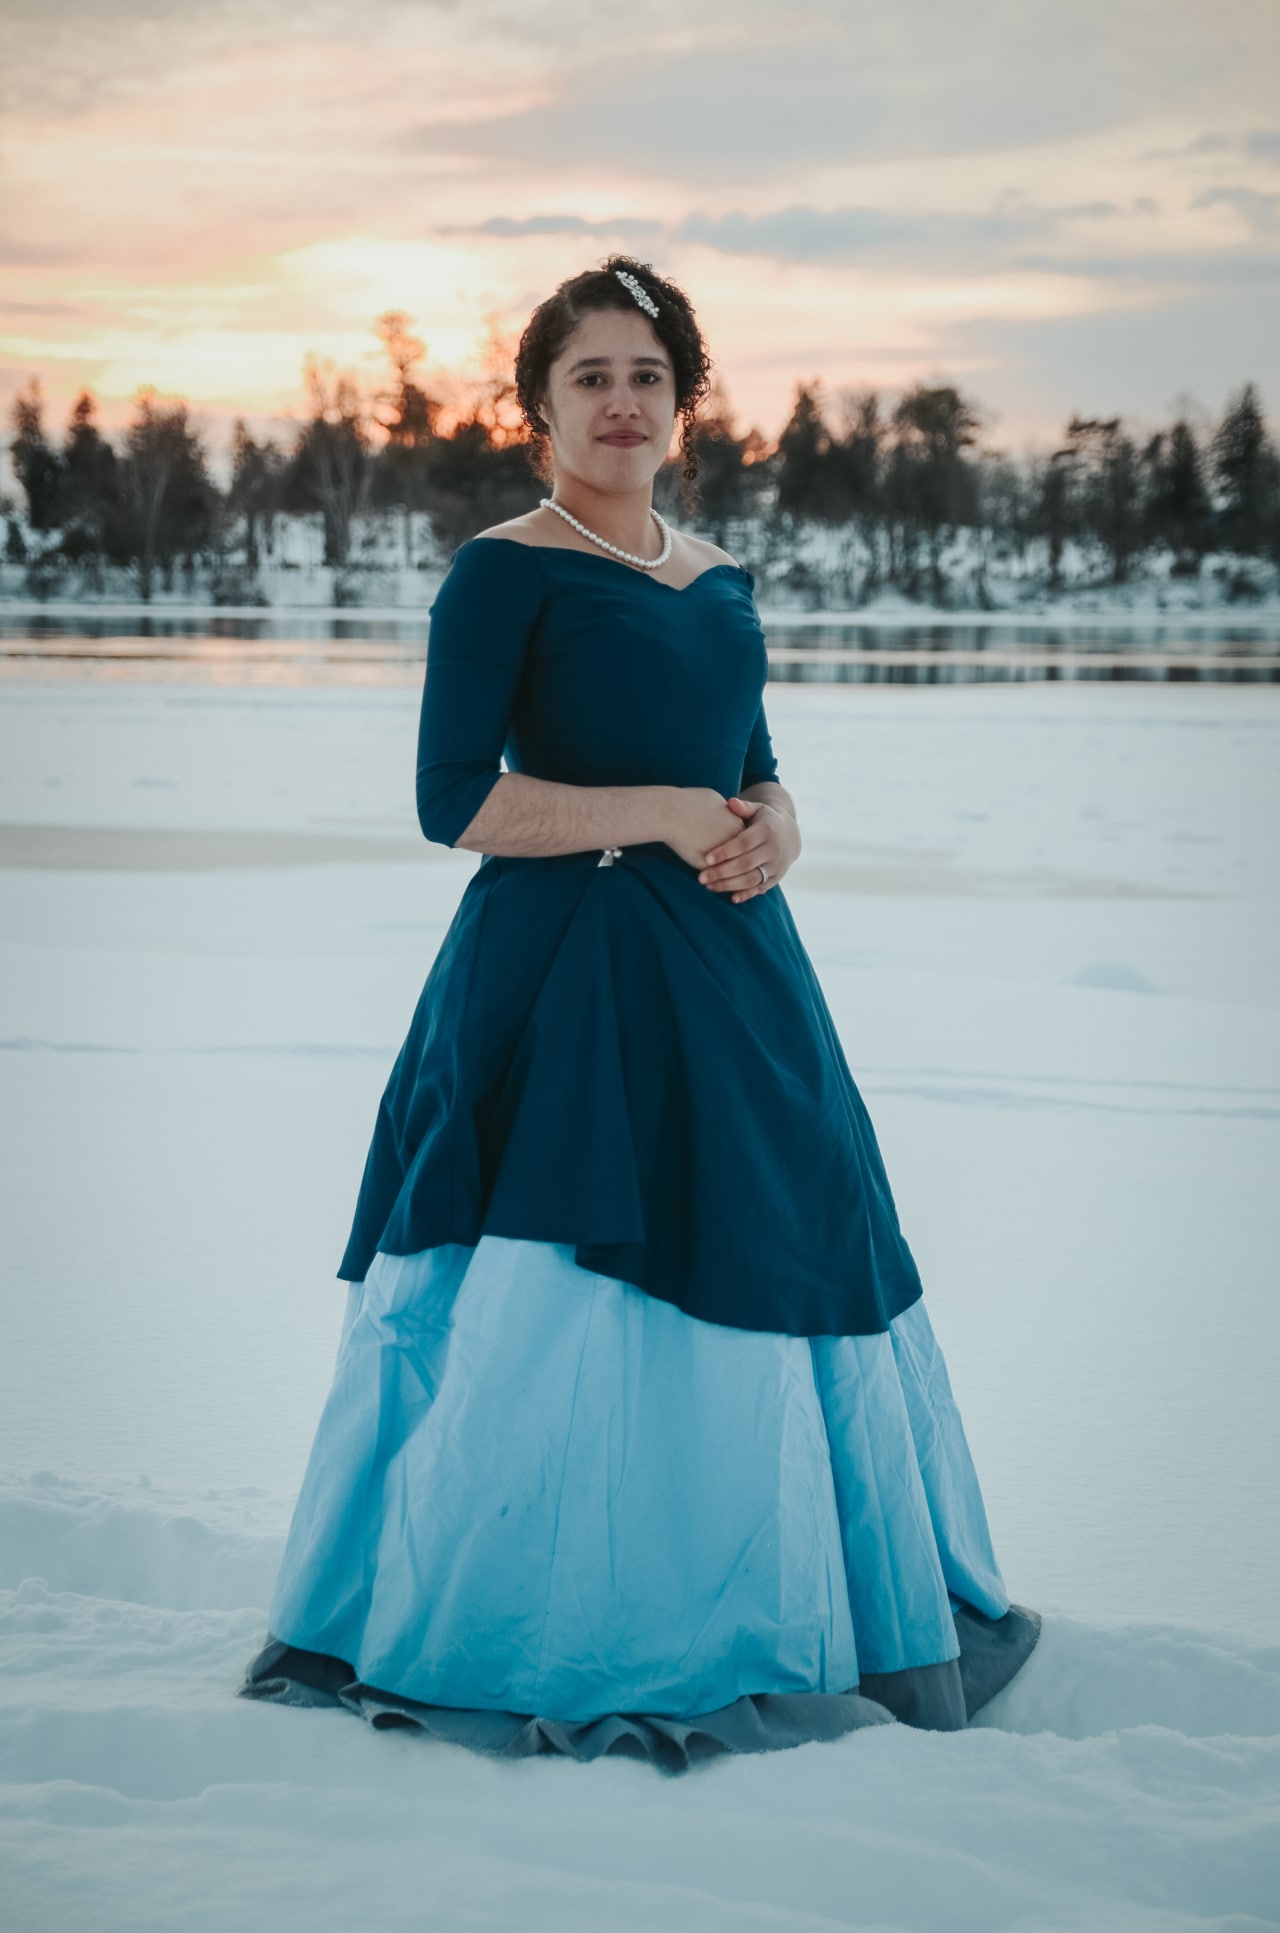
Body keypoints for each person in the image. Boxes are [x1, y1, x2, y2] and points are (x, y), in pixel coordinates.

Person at [239, 255, 1040, 1771]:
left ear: (686, 402)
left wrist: (777, 814)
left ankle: (773, 1601)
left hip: (739, 980)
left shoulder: (719, 571)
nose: (622, 402)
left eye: (648, 376)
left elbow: (751, 749)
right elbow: (452, 798)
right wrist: (662, 809)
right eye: (590, 376)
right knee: (568, 1293)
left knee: (769, 1244)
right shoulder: (505, 570)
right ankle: (549, 1616)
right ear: (535, 404)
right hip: (562, 985)